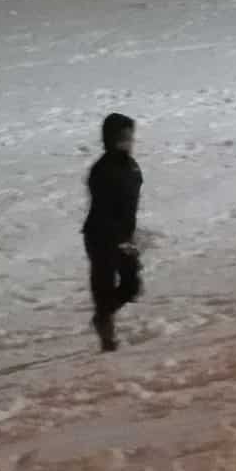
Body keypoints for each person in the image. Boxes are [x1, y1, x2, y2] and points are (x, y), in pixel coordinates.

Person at [82, 111, 144, 351]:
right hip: (101, 237)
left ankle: (102, 316)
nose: (129, 141)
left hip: (123, 236)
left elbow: (130, 204)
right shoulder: (103, 169)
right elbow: (106, 208)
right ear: (111, 139)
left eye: (130, 136)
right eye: (124, 137)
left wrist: (130, 235)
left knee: (132, 285)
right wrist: (118, 238)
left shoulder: (132, 166)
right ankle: (107, 339)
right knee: (104, 285)